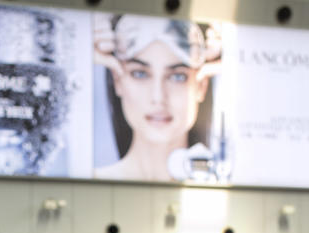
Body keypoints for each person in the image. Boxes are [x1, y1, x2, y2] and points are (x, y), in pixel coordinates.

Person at [93, 14, 222, 182]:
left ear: (202, 85)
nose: (158, 97)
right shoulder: (94, 181)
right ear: (117, 80)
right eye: (140, 74)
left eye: (177, 76)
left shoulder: (224, 181)